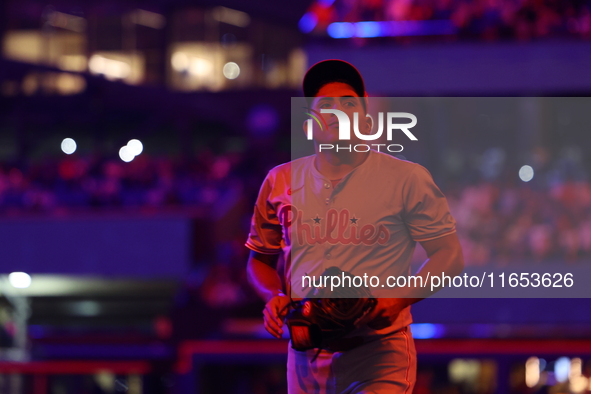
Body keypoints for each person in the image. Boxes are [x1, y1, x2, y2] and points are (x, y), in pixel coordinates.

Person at [246, 59, 464, 394]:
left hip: (379, 351)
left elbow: (449, 255)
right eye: (325, 105)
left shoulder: (406, 178)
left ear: (364, 118)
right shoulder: (280, 180)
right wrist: (272, 295)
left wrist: (398, 299)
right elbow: (259, 259)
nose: (338, 111)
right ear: (310, 121)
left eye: (349, 102)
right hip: (306, 353)